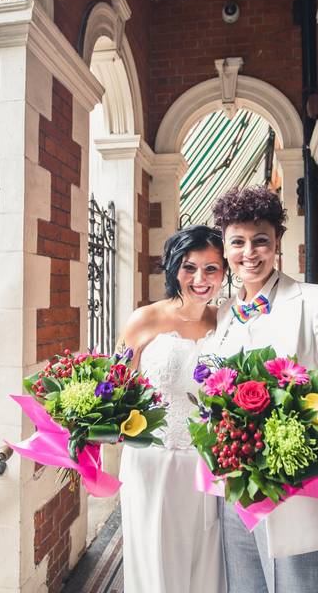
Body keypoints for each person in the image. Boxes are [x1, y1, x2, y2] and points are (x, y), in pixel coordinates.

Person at [205, 186, 318, 593]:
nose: (249, 252)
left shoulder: (316, 301)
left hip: (304, 495)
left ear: (277, 242)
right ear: (225, 248)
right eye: (238, 242)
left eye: (260, 240)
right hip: (237, 496)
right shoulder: (224, 313)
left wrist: (298, 456)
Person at [117, 224, 228, 593]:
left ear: (224, 272)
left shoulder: (226, 322)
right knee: (157, 566)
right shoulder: (144, 320)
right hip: (153, 461)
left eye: (211, 268)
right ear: (173, 268)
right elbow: (116, 392)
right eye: (189, 267)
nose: (200, 278)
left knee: (206, 563)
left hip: (209, 464)